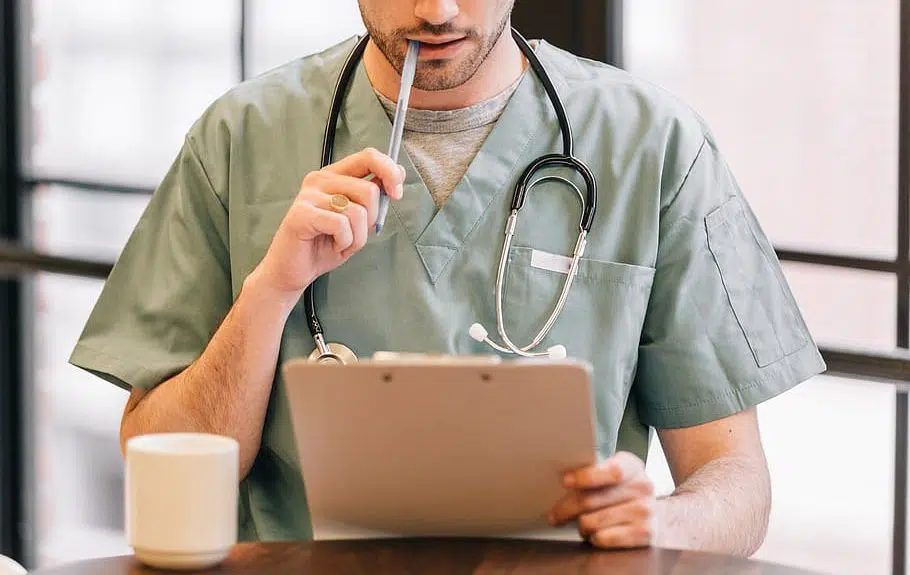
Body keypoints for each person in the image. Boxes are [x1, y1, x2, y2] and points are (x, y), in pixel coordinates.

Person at [70, 0, 825, 557]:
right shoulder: (240, 140)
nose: (435, 11)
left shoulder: (653, 147)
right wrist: (269, 291)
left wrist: (661, 523)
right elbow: (155, 462)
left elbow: (738, 483)